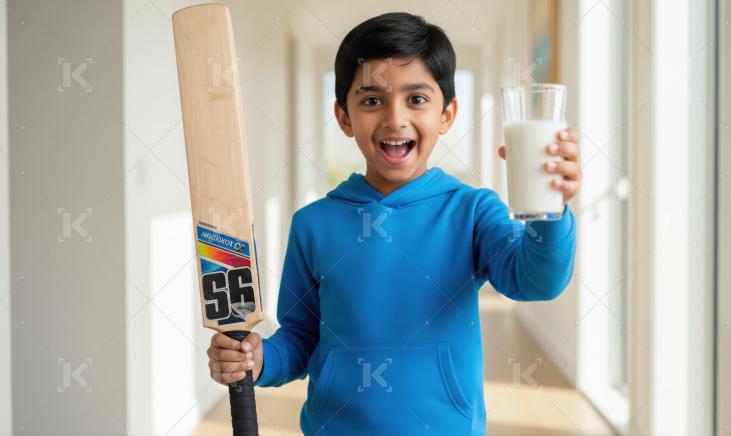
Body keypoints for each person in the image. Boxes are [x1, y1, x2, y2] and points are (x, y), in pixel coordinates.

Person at [207, 11, 581, 435]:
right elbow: (300, 337)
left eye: (416, 99)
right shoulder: (313, 224)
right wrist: (259, 359)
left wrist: (550, 213)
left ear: (447, 114)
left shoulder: (472, 211)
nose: (394, 118)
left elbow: (537, 281)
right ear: (344, 117)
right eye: (371, 100)